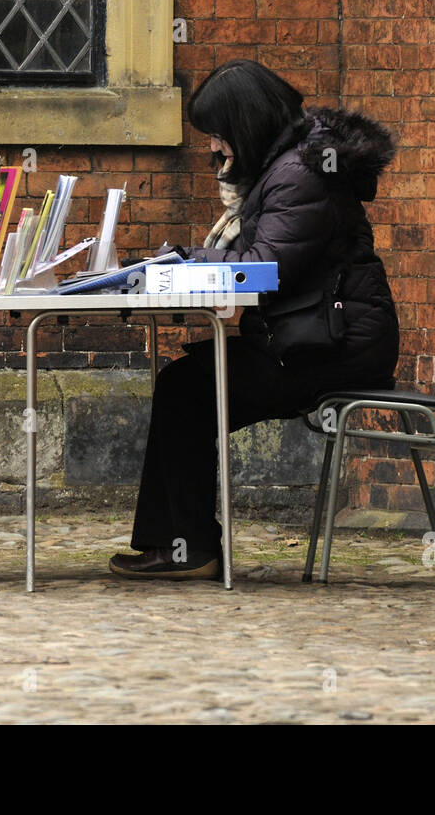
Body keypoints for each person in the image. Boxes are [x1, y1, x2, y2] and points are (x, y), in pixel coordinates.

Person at [109, 59, 400, 579]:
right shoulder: (287, 168)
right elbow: (255, 255)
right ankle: (180, 545)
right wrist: (183, 260)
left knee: (186, 390)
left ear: (243, 127)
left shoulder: (298, 175)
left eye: (219, 136)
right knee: (186, 386)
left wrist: (182, 264)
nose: (214, 149)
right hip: (314, 337)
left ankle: (187, 549)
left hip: (334, 349)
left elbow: (262, 269)